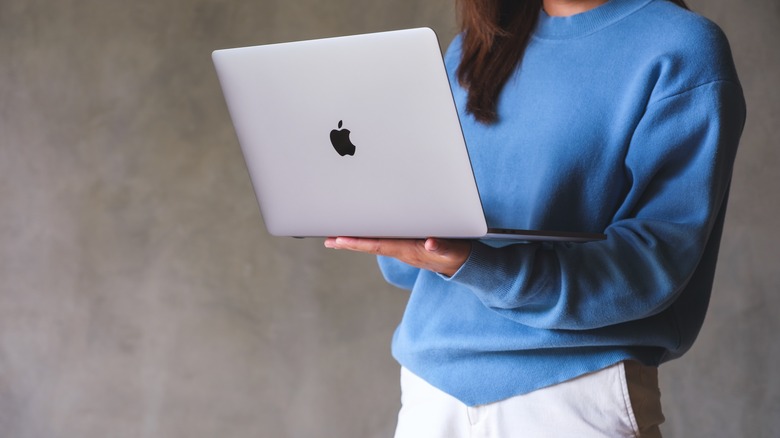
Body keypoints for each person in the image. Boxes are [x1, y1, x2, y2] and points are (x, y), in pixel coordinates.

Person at [325, 0, 746, 436]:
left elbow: (651, 264)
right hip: (430, 392)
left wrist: (475, 262)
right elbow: (415, 272)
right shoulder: (477, 45)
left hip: (570, 393)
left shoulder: (681, 47)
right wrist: (395, 226)